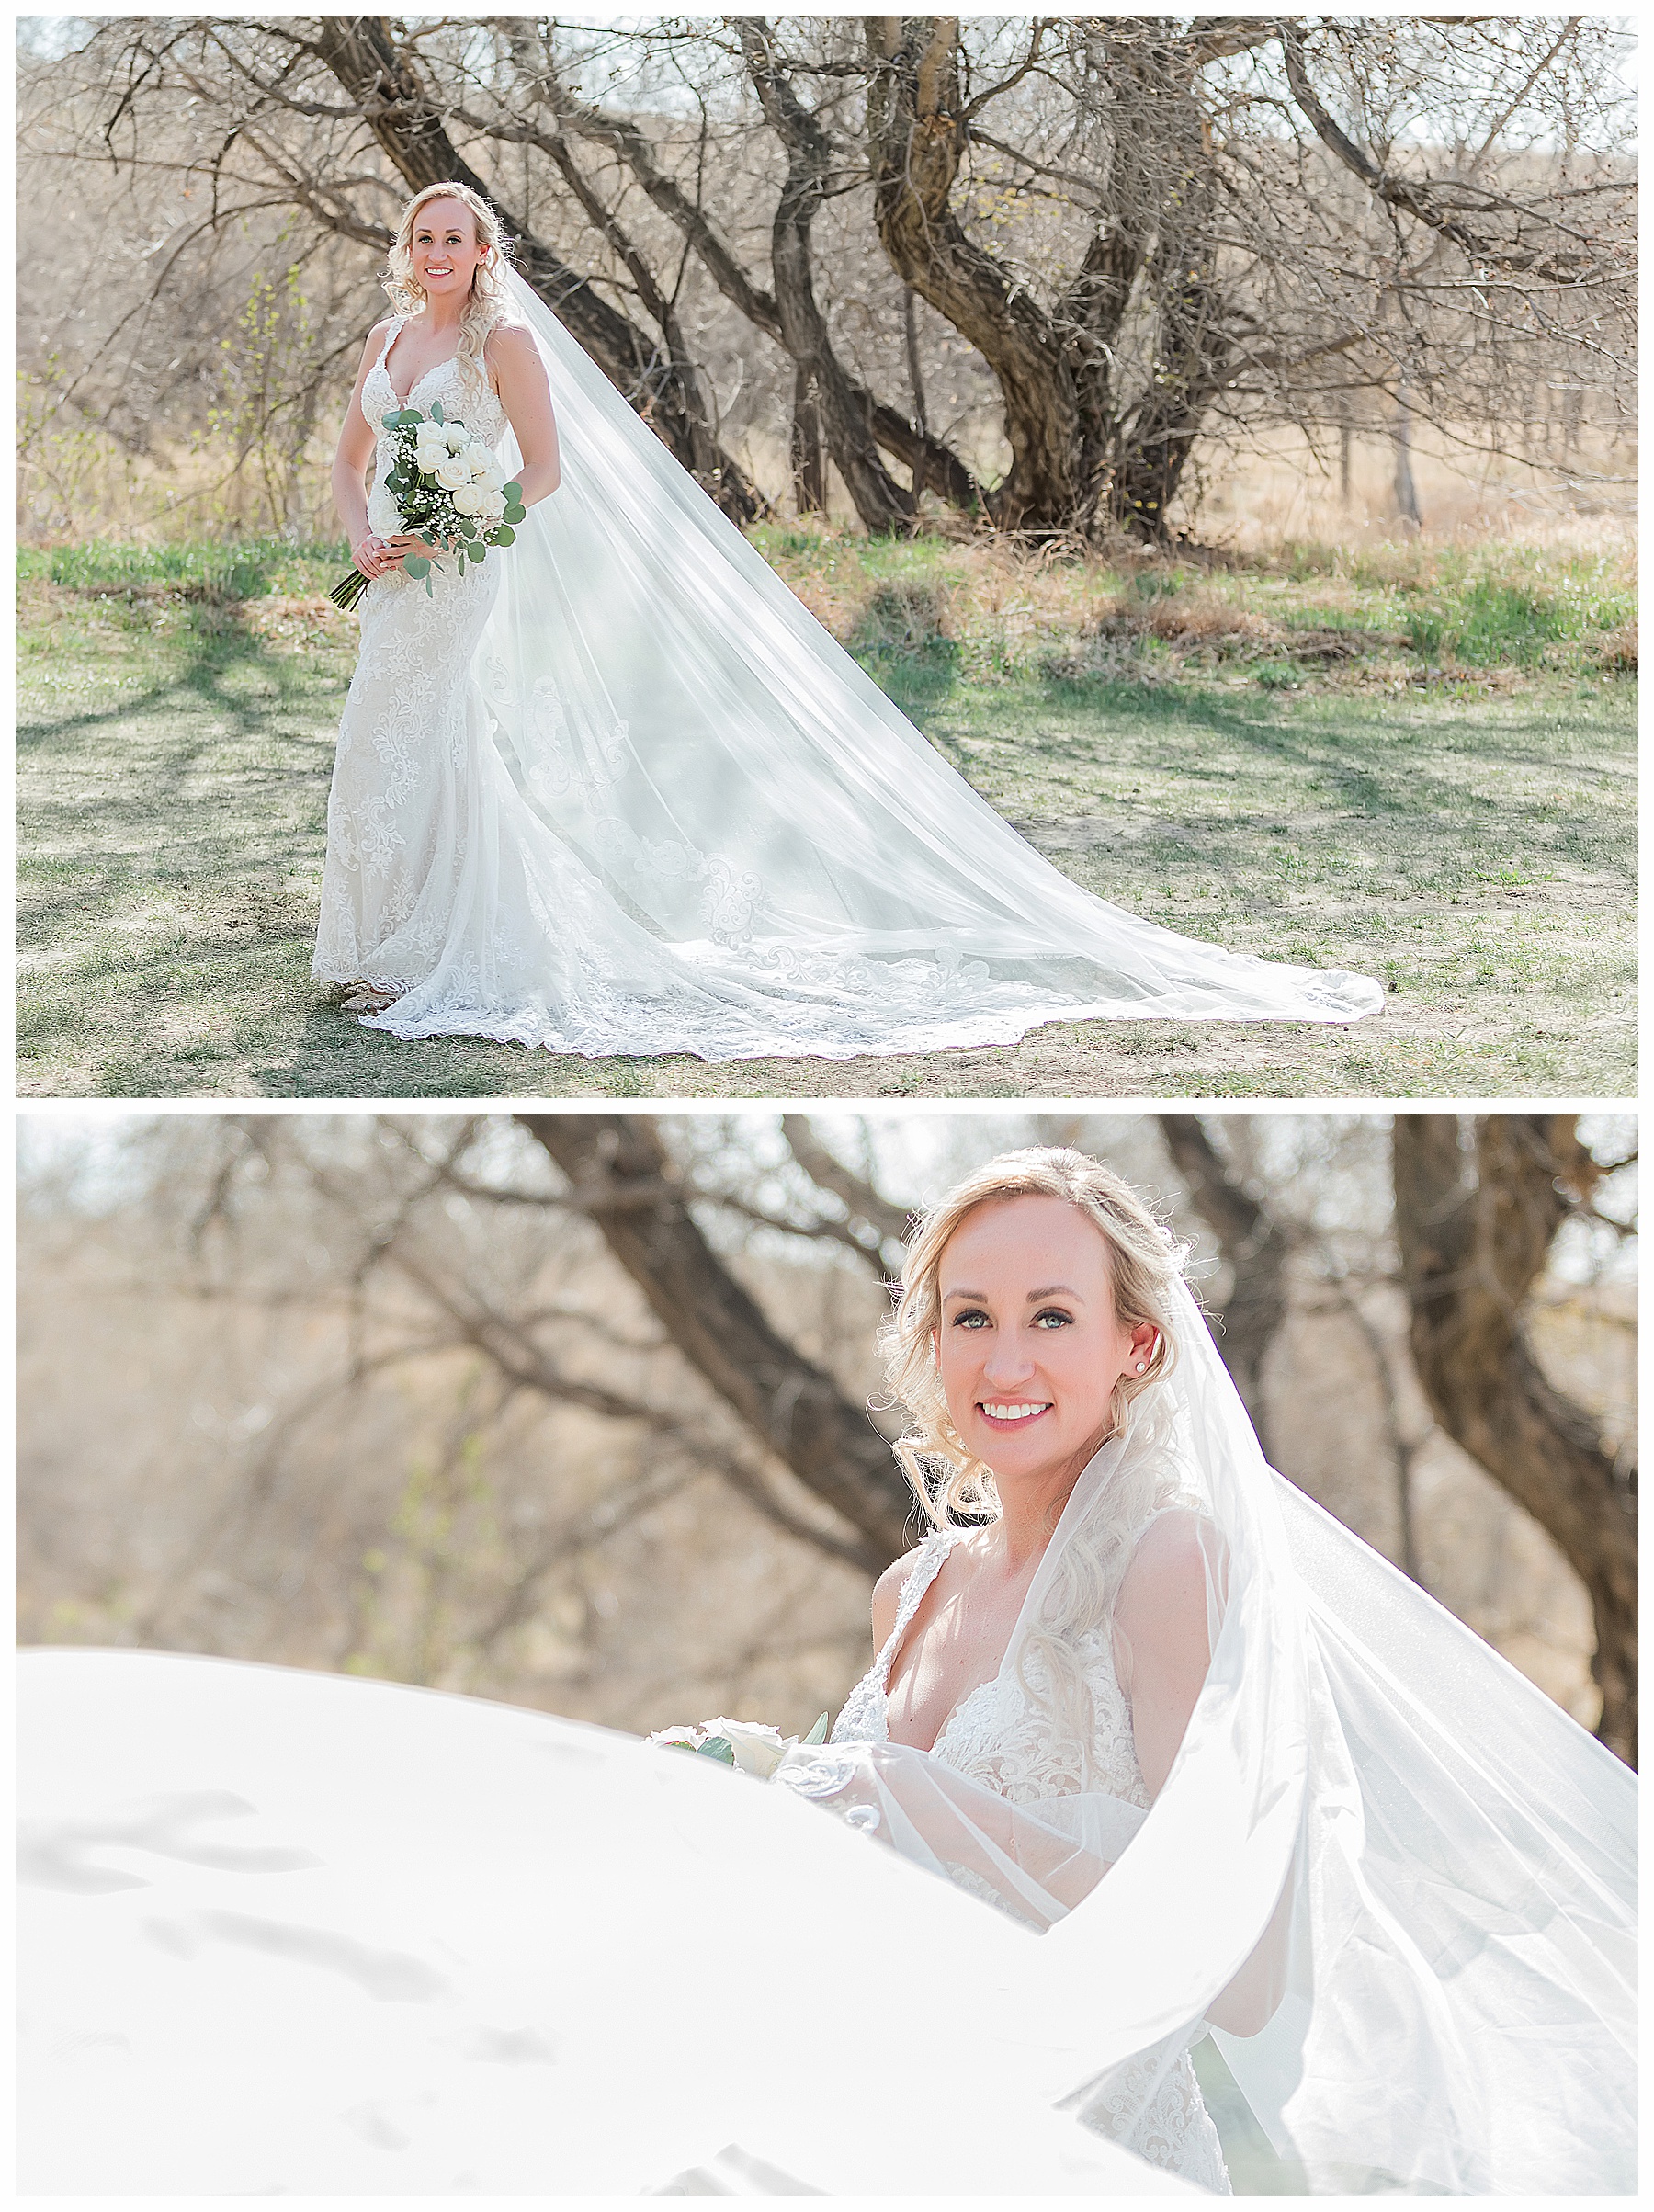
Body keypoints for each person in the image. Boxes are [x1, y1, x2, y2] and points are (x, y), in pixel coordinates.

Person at [315, 182, 1385, 1060]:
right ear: (408, 250)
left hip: (456, 575)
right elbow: (346, 466)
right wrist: (364, 538)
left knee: (440, 740)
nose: (441, 250)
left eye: (458, 236)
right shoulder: (386, 338)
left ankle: (430, 949)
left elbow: (542, 472)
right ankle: (376, 944)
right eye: (426, 236)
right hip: (391, 579)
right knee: (375, 745)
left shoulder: (502, 346)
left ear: (484, 250)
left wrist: (460, 527)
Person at [773, 1147, 1637, 2194]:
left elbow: (1241, 1971)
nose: (1003, 1363)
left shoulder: (1168, 1566)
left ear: (1136, 1342)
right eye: (970, 1317)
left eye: (1051, 1317)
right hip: (890, 2143)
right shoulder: (907, 1591)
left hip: (1085, 2164)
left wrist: (928, 1806)